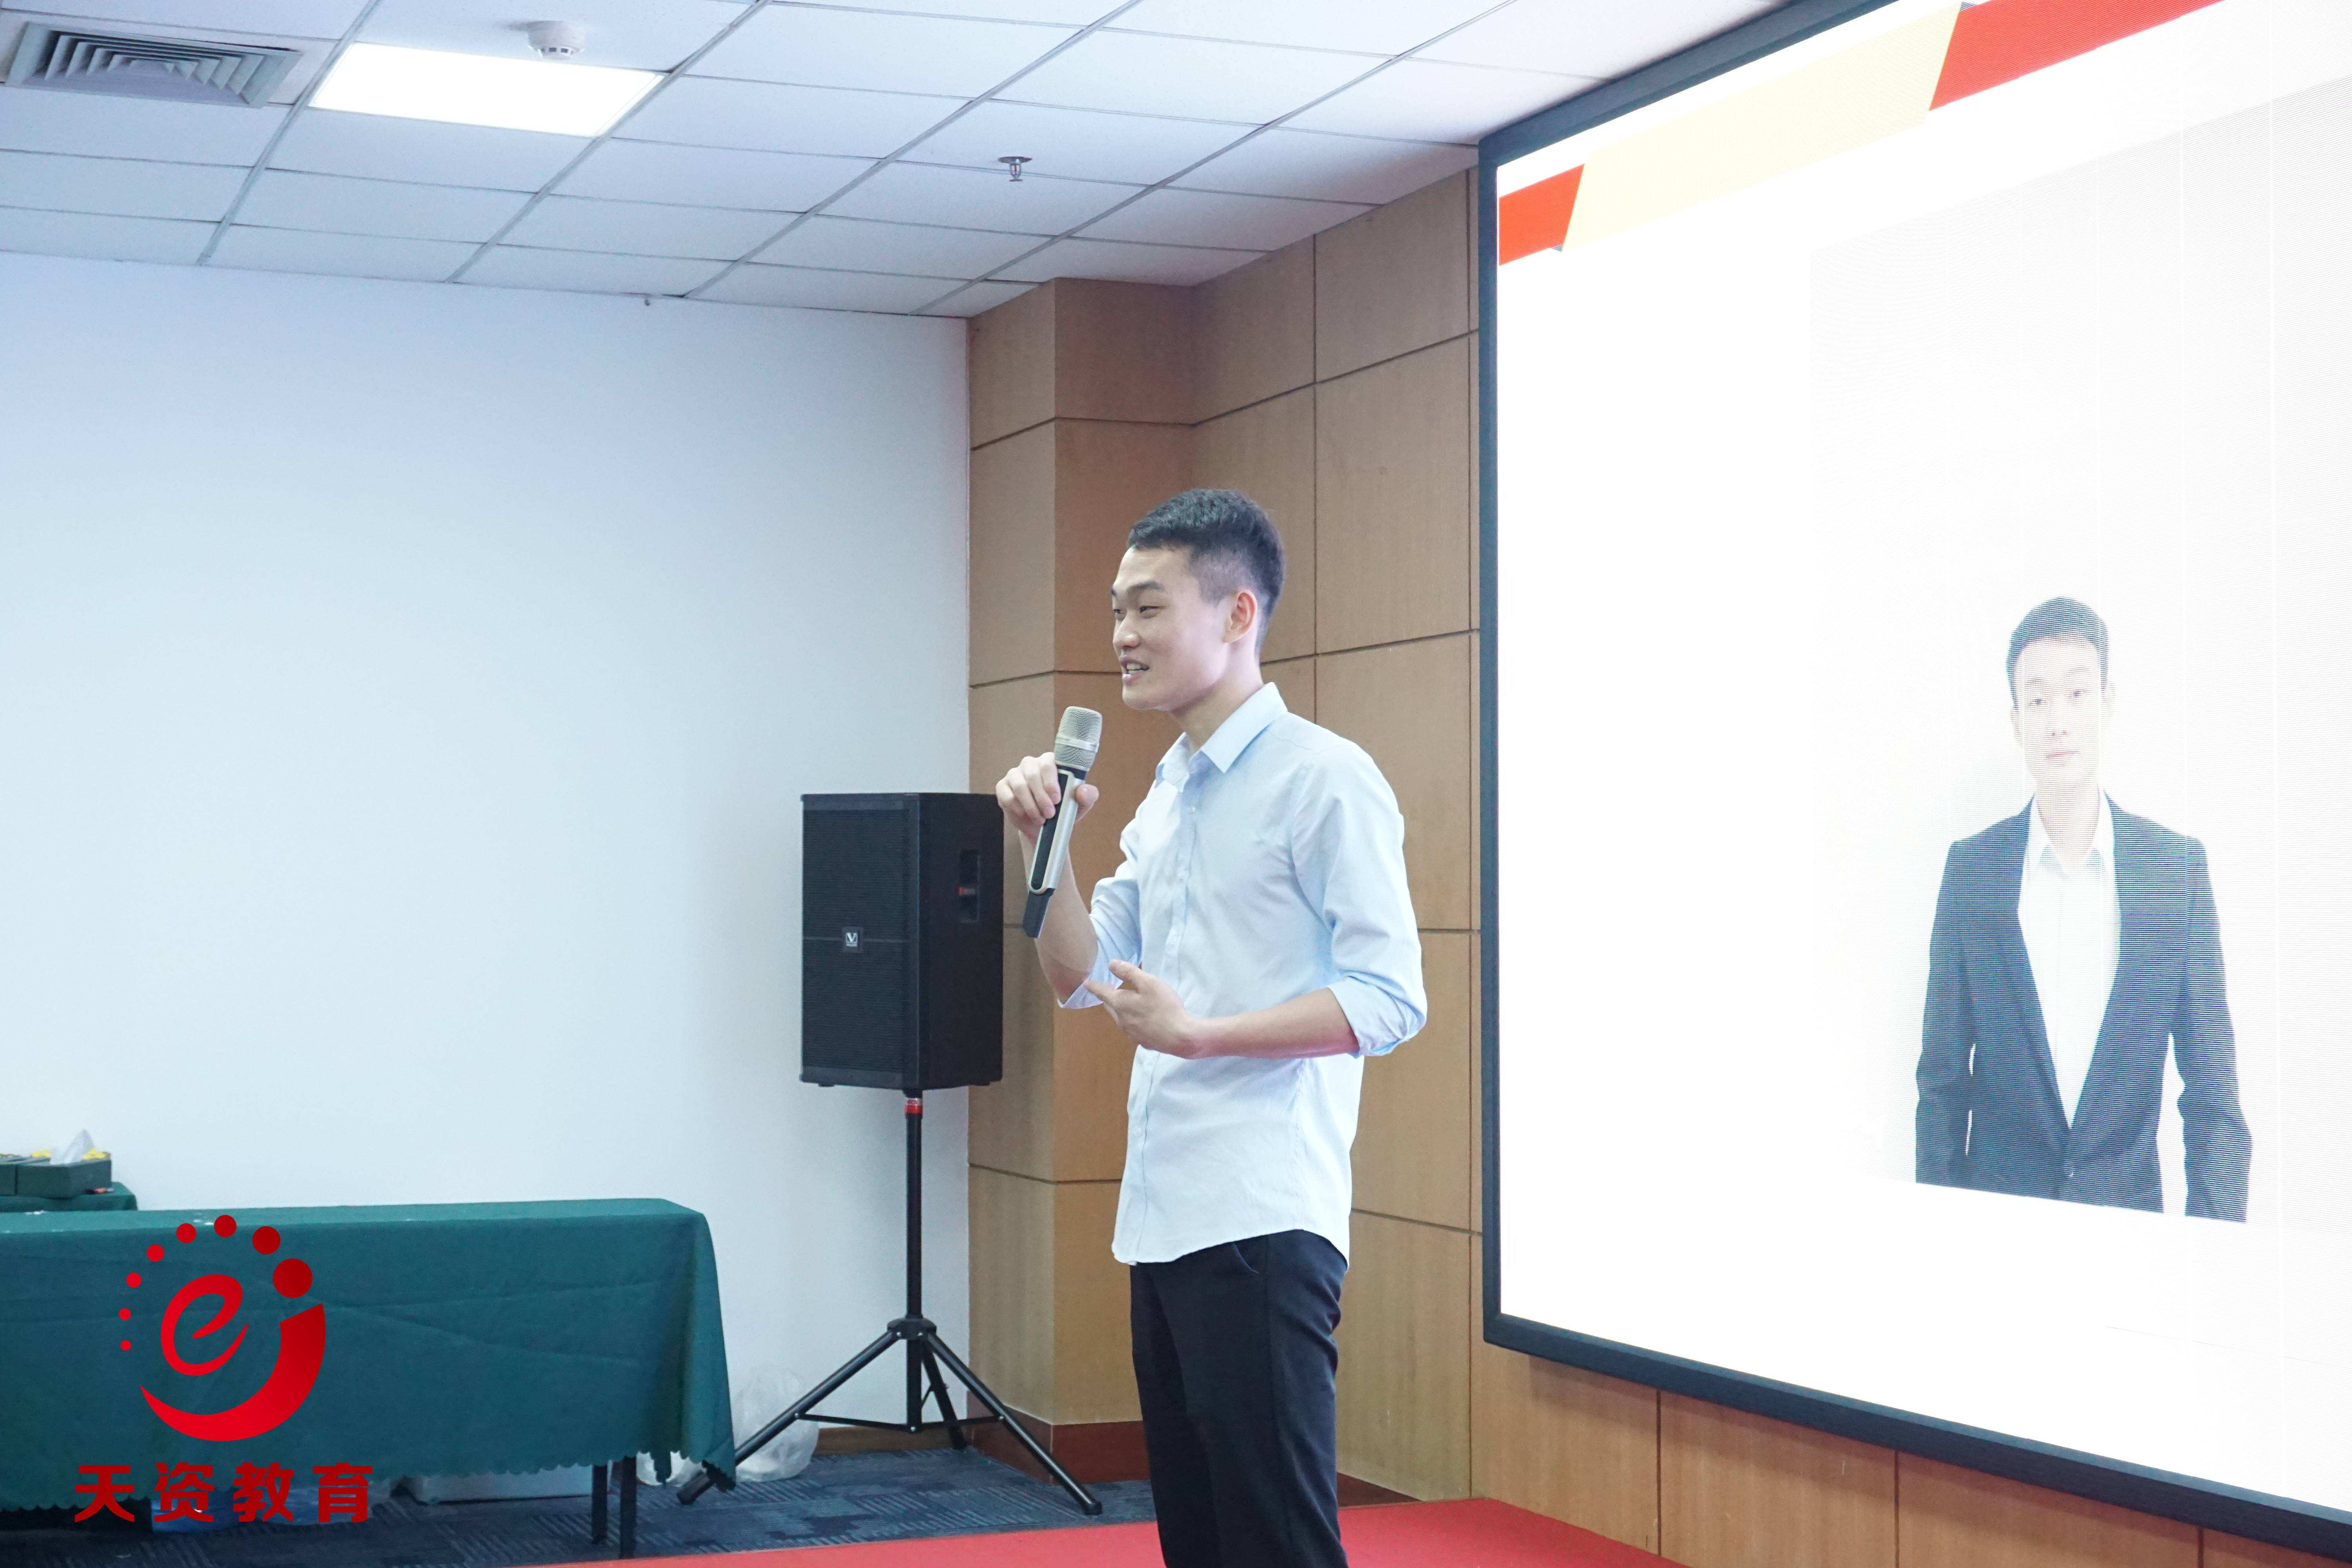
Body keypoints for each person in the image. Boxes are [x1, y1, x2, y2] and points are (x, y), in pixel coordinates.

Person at [993, 488, 1425, 1568]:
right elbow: (1080, 975)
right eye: (1117, 610)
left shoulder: (1324, 779)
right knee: (1200, 1540)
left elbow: (1390, 997)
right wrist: (1043, 846)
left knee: (1277, 1542)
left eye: (1148, 607)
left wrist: (1203, 1034)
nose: (1122, 636)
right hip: (1165, 1215)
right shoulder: (1169, 790)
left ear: (1238, 615)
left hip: (1262, 1221)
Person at [1916, 597, 2251, 1220]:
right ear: (2016, 721)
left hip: (2130, 1237)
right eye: (2038, 700)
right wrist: (1940, 1238)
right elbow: (1942, 1084)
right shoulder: (1972, 871)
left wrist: (2216, 1256)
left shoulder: (2174, 872)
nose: (2058, 722)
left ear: (2108, 703)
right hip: (1997, 1232)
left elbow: (2212, 1095)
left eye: (2076, 694)